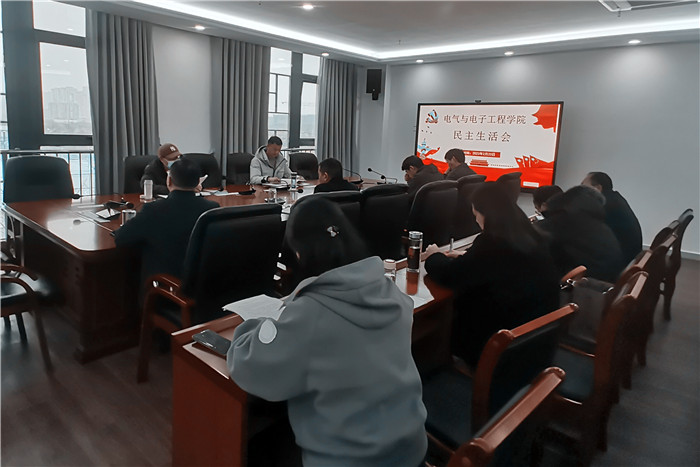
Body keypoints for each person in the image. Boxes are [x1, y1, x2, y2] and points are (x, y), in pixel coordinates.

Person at [227, 197, 427, 467]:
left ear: (300, 253)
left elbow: (253, 368)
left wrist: (252, 327)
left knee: (255, 446)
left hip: (355, 460)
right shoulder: (388, 290)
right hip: (411, 448)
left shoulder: (311, 314)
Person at [423, 182, 560, 367]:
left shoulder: (492, 243)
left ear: (486, 213)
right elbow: (497, 267)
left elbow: (449, 275)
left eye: (476, 215)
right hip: (534, 344)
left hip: (499, 351)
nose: (477, 221)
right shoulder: (529, 235)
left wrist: (434, 255)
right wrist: (466, 256)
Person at [114, 157, 218, 287]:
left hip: (168, 288)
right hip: (204, 287)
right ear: (198, 183)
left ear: (169, 181)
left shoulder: (154, 210)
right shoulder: (212, 209)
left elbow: (121, 238)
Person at [535, 185, 625, 283]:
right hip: (605, 281)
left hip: (585, 284)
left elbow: (533, 234)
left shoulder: (567, 219)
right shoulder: (595, 222)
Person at [582, 171, 642, 265]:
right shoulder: (614, 199)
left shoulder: (603, 205)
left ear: (597, 188)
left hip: (618, 263)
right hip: (629, 259)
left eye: (583, 187)